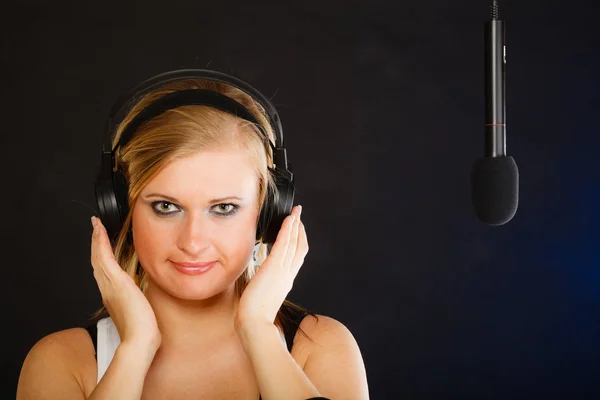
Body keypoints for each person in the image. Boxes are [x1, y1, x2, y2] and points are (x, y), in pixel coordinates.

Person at [16, 72, 369, 399]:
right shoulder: (63, 362)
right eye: (167, 207)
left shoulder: (320, 348)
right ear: (121, 210)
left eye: (224, 208)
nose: (193, 242)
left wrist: (258, 331)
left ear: (265, 215)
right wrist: (135, 348)